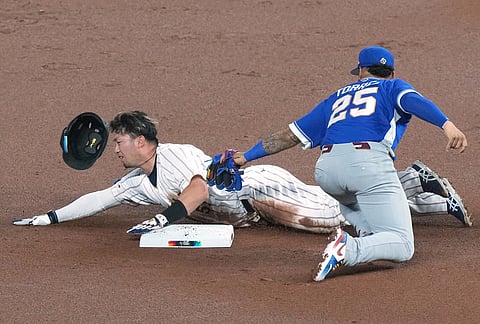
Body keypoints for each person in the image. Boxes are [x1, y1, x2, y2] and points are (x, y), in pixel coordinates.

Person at [217, 46, 468, 281]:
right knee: (403, 245)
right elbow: (414, 101)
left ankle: (370, 237)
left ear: (360, 71)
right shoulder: (392, 87)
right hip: (367, 166)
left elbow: (288, 136)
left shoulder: (336, 98)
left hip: (327, 171)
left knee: (354, 202)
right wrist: (447, 125)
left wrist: (245, 156)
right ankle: (350, 249)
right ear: (391, 73)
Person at [12, 111, 469, 236]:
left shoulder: (174, 156)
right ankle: (421, 189)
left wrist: (166, 218)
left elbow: (197, 186)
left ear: (143, 141)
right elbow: (100, 198)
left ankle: (413, 182)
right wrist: (51, 217)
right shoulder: (135, 182)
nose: (114, 149)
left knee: (335, 219)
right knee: (345, 214)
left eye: (119, 141)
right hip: (254, 211)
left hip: (261, 187)